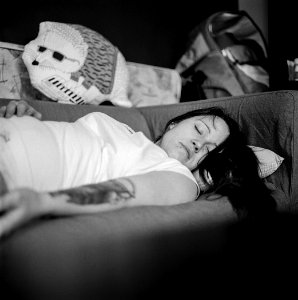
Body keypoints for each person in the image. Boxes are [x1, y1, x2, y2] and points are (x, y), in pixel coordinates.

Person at [0, 100, 275, 238]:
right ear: (173, 124)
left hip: (12, 172)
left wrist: (41, 202)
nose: (199, 143)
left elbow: (125, 192)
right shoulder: (122, 127)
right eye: (200, 129)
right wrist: (23, 114)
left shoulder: (178, 178)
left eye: (208, 149)